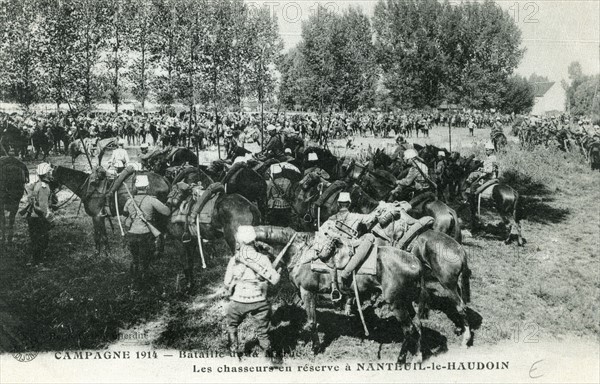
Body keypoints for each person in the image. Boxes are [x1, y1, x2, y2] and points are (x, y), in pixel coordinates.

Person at [224, 226, 281, 357]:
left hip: (238, 301)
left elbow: (227, 283)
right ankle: (269, 358)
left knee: (232, 324)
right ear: (253, 239)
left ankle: (234, 353)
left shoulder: (235, 259)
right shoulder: (263, 258)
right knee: (263, 332)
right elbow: (275, 280)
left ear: (240, 240)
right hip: (260, 301)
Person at [312, 192, 379, 301]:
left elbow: (323, 231)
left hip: (336, 248)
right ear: (349, 204)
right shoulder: (355, 216)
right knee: (370, 237)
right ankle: (346, 274)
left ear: (338, 204)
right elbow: (370, 218)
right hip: (349, 247)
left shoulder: (331, 218)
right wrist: (378, 211)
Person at [123, 176, 170, 281]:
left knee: (135, 258)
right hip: (145, 234)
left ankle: (134, 281)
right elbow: (167, 212)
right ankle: (144, 283)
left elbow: (124, 212)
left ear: (135, 187)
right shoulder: (151, 200)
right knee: (145, 260)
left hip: (131, 234)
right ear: (147, 187)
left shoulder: (129, 201)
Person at [26, 163, 56, 265]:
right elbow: (43, 207)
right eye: (50, 172)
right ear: (46, 174)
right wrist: (50, 219)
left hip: (32, 216)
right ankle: (37, 261)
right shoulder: (44, 187)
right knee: (42, 239)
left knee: (35, 239)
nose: (51, 174)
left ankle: (35, 260)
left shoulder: (37, 184)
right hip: (39, 217)